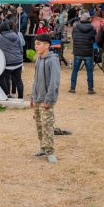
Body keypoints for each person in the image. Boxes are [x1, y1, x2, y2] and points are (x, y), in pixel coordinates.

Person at [31, 34, 61, 164]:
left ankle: (50, 151)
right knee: (39, 123)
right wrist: (33, 96)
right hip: (37, 98)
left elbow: (54, 81)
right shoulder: (38, 59)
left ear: (47, 45)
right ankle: (43, 147)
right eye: (36, 43)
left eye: (39, 43)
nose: (36, 46)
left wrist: (49, 99)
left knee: (47, 124)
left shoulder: (52, 60)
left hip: (46, 100)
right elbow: (35, 80)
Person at [0, 20, 25, 99]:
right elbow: (21, 49)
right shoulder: (16, 35)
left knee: (0, 77)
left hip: (7, 64)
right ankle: (21, 98)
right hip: (18, 62)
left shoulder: (0, 38)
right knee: (18, 80)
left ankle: (7, 94)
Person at [69, 13, 96, 94]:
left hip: (77, 51)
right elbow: (94, 39)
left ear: (81, 19)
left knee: (75, 70)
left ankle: (72, 88)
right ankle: (90, 89)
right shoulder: (92, 28)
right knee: (89, 71)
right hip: (88, 52)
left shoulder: (75, 28)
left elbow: (74, 38)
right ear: (89, 19)